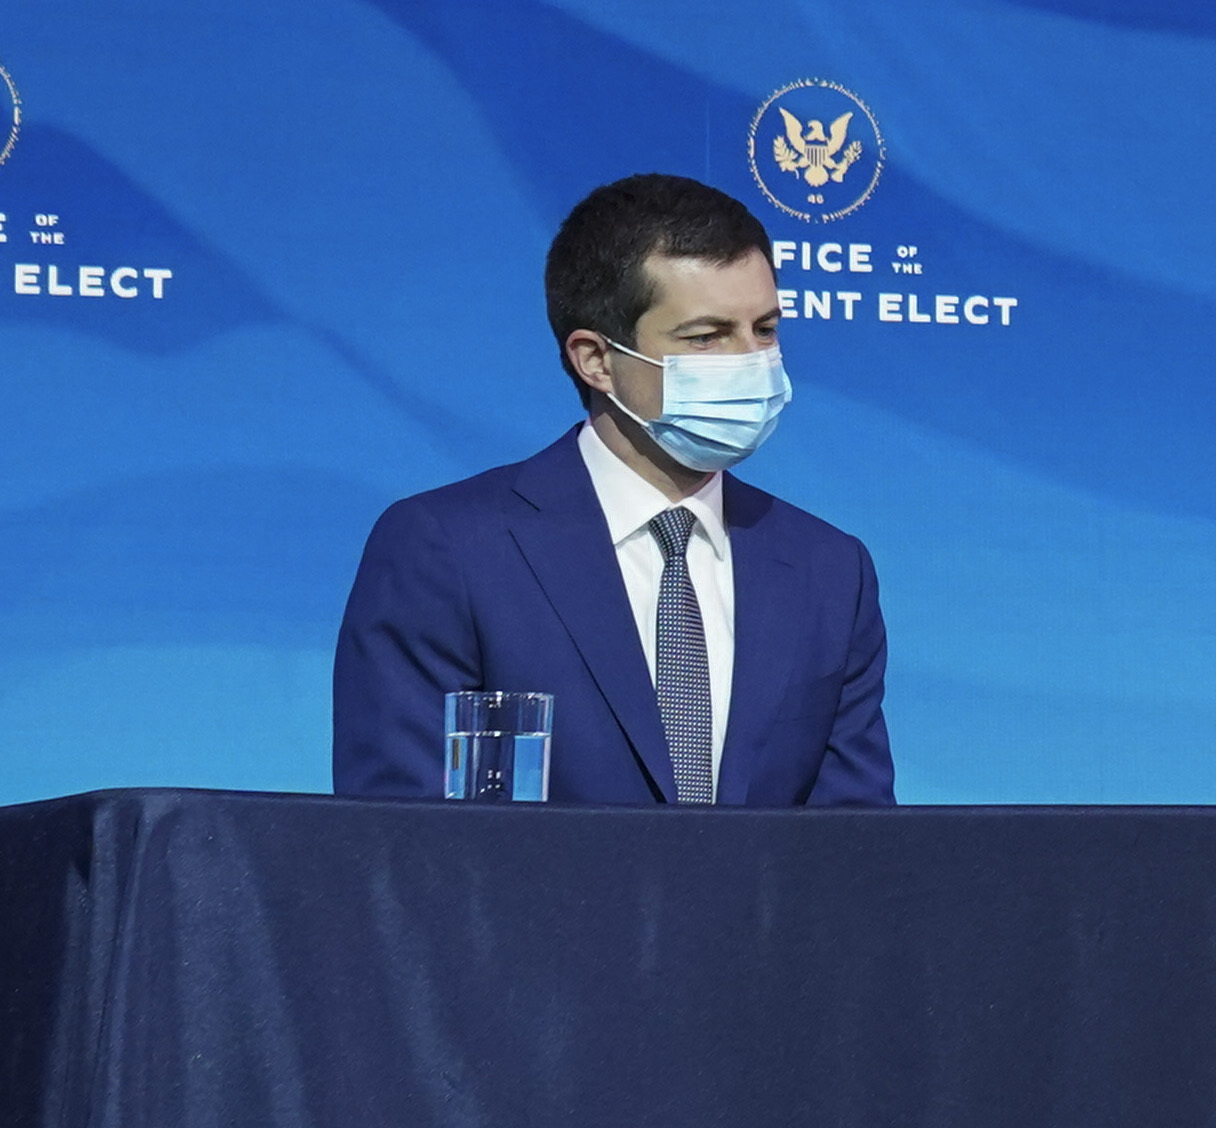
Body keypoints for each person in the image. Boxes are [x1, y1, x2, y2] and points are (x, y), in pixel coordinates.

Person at [330, 173, 898, 807]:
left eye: (764, 329)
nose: (752, 361)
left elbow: (855, 852)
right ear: (596, 359)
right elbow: (400, 839)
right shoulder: (447, 550)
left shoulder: (829, 569)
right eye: (706, 337)